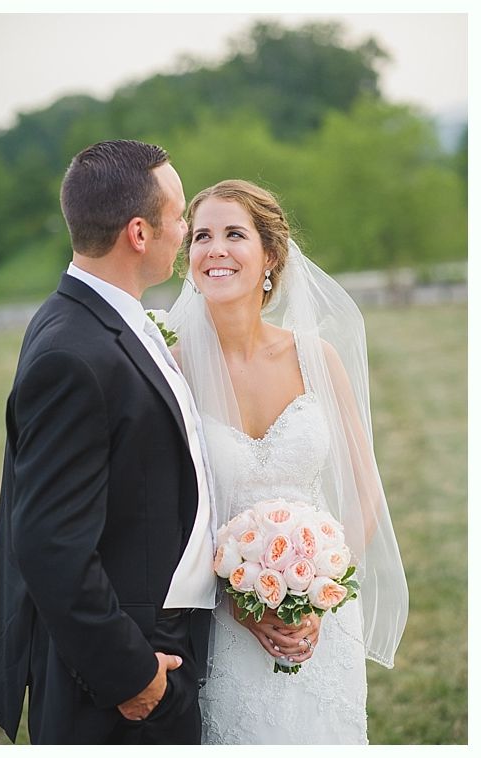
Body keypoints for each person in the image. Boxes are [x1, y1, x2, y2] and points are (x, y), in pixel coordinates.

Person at [0, 140, 217, 744]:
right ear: (139, 233)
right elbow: (49, 543)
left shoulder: (104, 319)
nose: (187, 228)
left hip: (160, 641)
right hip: (121, 675)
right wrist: (131, 676)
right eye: (180, 214)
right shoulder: (74, 351)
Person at [167, 179, 408, 744]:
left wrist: (322, 589)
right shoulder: (173, 369)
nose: (215, 249)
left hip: (321, 614)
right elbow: (171, 511)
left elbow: (366, 487)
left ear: (270, 255)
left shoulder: (313, 356)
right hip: (224, 616)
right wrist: (241, 601)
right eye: (201, 236)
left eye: (234, 234)